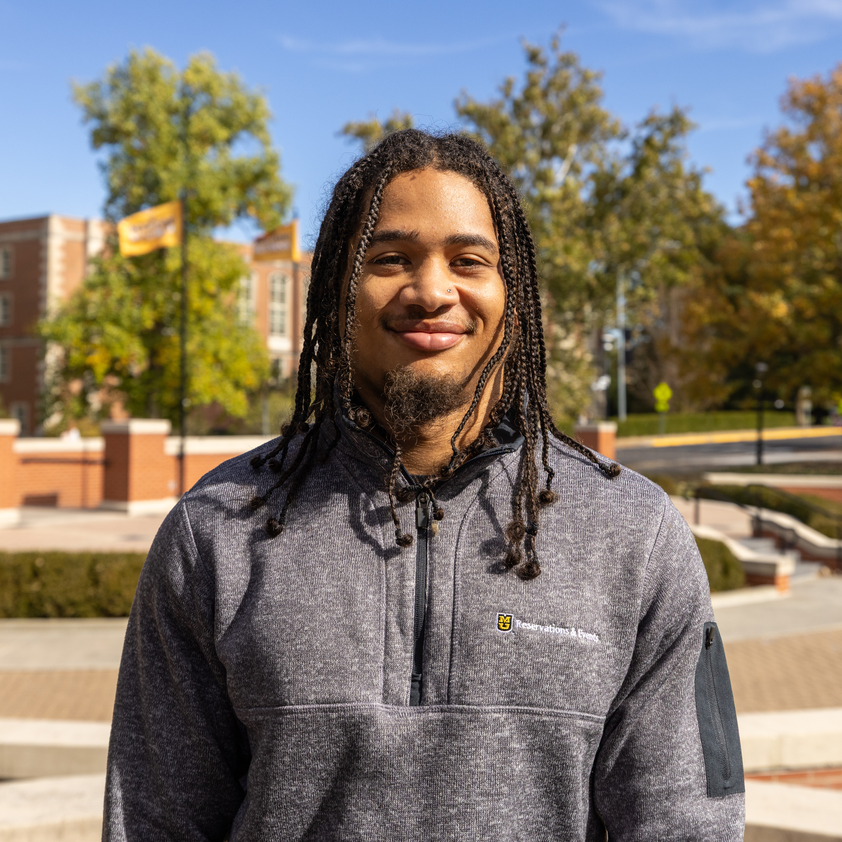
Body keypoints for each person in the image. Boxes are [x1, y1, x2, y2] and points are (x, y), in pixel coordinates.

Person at [104, 129, 745, 840]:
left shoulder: (636, 533)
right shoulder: (215, 529)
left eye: (469, 260)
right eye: (390, 259)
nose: (433, 291)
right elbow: (154, 822)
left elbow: (689, 819)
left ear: (514, 295)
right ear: (337, 293)